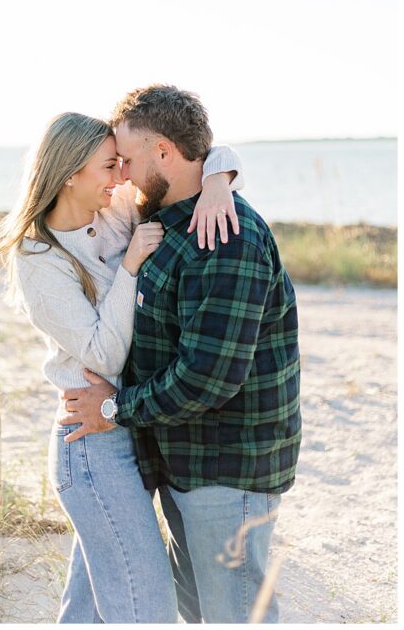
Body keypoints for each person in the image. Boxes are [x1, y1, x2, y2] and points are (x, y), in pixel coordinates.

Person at [0, 110, 245, 623]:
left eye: (122, 163)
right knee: (147, 609)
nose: (122, 176)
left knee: (90, 611)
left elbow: (200, 154)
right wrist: (129, 267)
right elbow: (103, 355)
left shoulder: (114, 210)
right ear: (71, 172)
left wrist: (217, 183)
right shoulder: (38, 259)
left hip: (130, 425)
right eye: (109, 166)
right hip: (91, 446)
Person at [60, 84, 301, 623]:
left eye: (126, 158)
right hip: (182, 456)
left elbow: (207, 379)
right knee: (200, 610)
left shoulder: (225, 235)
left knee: (234, 616)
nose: (120, 172)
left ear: (164, 153)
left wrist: (112, 409)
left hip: (228, 468)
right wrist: (219, 171)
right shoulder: (164, 218)